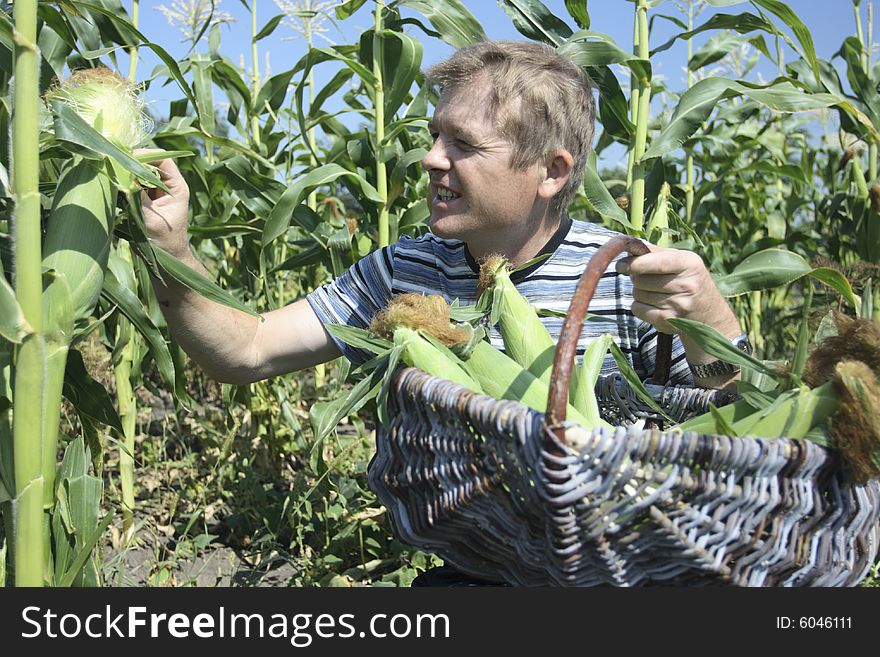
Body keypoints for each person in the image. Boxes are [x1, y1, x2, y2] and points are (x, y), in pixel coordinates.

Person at [142, 41, 746, 584]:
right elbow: (249, 348)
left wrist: (711, 329)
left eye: (464, 144)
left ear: (552, 171)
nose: (431, 159)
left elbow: (737, 432)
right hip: (479, 569)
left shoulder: (622, 277)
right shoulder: (403, 272)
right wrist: (172, 251)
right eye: (435, 137)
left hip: (618, 573)